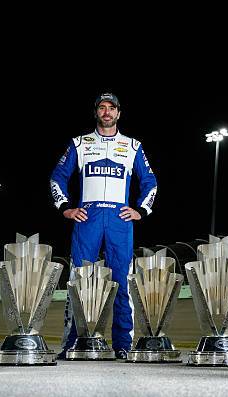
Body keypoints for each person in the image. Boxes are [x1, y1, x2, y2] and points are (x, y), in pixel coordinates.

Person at [50, 93, 157, 359]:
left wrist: (141, 210)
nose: (107, 112)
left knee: (122, 282)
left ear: (119, 113)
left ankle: (123, 345)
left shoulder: (133, 146)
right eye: (102, 107)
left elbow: (150, 183)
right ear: (96, 112)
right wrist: (66, 208)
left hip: (120, 220)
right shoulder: (79, 143)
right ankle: (72, 343)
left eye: (111, 108)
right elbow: (57, 177)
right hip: (88, 217)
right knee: (78, 281)